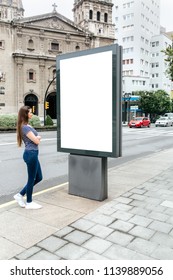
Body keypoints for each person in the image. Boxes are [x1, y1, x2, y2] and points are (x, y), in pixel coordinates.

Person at [14, 105, 43, 209]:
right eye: (30, 112)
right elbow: (36, 141)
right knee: (31, 179)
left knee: (39, 177)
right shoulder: (25, 127)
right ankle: (29, 202)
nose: (32, 114)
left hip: (33, 153)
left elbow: (35, 139)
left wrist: (37, 138)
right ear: (25, 114)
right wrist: (38, 137)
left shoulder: (27, 125)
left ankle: (20, 195)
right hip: (30, 154)